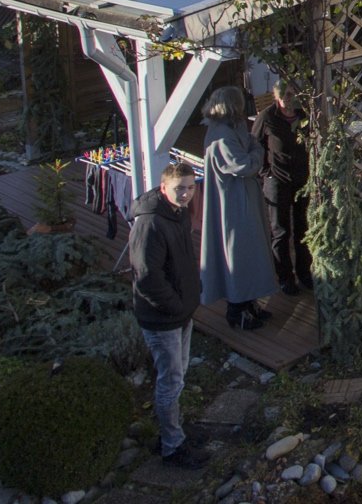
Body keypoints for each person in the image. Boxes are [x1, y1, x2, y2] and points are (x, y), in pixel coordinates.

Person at [128, 161, 209, 469]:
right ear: (163, 188)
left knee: (179, 376)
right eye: (179, 189)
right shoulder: (150, 223)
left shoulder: (176, 213)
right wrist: (176, 306)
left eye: (190, 187)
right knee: (170, 382)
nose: (186, 194)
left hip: (181, 312)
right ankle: (172, 447)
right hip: (163, 318)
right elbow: (147, 276)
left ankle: (174, 432)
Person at [201, 85, 278, 330]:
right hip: (233, 204)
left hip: (241, 199)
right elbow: (244, 165)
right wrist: (257, 151)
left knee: (251, 250)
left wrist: (253, 146)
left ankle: (250, 302)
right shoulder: (221, 135)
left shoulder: (232, 128)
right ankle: (238, 309)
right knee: (239, 253)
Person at [253, 79, 313, 296]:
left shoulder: (303, 115)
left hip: (301, 178)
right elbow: (255, 144)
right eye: (286, 95)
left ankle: (304, 273)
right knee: (280, 230)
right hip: (277, 180)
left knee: (302, 228)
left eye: (293, 94)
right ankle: (285, 277)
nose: (290, 100)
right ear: (276, 96)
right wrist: (265, 172)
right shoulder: (267, 118)